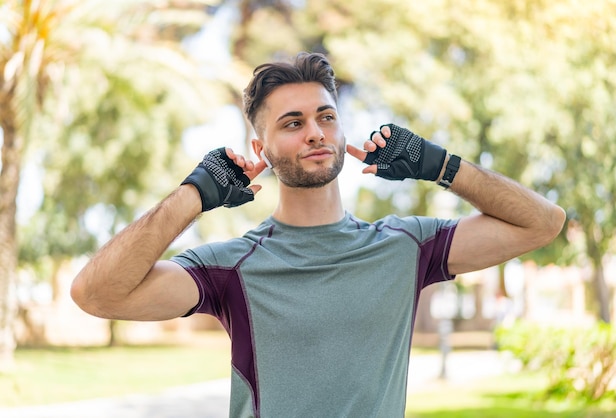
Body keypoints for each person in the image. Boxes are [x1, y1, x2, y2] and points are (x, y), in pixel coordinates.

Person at [71, 52, 566, 417]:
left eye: (326, 117)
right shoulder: (231, 269)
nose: (315, 132)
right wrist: (195, 194)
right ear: (260, 148)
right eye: (294, 123)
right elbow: (95, 294)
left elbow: (543, 222)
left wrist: (437, 165)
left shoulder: (405, 246)